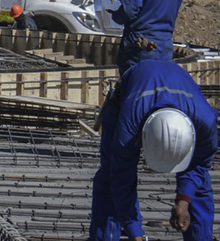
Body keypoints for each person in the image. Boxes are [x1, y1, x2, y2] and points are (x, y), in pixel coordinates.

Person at [89, 60, 216, 241]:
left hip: (171, 91)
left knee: (199, 183)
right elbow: (121, 177)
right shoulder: (129, 125)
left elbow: (198, 165)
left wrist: (183, 200)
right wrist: (136, 232)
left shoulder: (205, 123)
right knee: (111, 178)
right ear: (142, 137)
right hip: (125, 98)